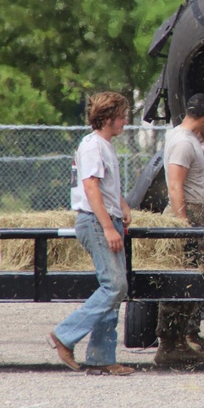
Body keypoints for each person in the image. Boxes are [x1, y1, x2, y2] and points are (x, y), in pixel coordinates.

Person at [49, 91, 134, 376]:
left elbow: (104, 186)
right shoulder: (93, 147)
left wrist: (121, 206)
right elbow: (91, 188)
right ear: (108, 118)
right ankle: (64, 335)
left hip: (106, 219)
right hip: (96, 223)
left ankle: (101, 357)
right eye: (122, 115)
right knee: (115, 286)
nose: (125, 120)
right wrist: (109, 227)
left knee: (112, 291)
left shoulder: (103, 145)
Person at [152, 93, 204, 366]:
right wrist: (183, 225)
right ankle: (169, 344)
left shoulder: (187, 138)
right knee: (180, 279)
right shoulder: (182, 142)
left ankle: (179, 340)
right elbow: (175, 186)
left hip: (194, 212)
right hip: (186, 212)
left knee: (190, 281)